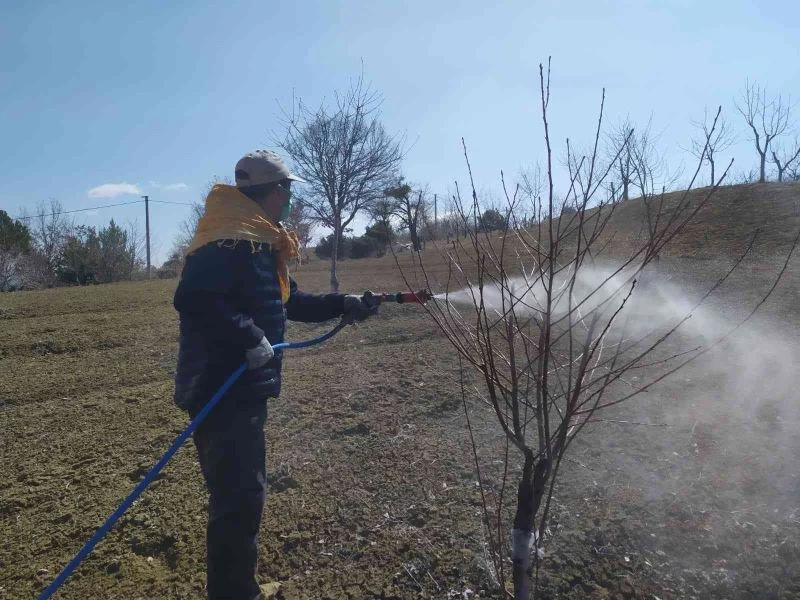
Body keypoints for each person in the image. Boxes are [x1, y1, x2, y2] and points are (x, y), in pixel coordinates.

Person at [173, 150, 377, 600]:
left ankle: (235, 587)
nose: (289, 199)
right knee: (239, 500)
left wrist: (342, 305)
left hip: (241, 389)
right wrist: (249, 337)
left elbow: (289, 303)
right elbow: (193, 298)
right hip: (219, 389)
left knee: (241, 497)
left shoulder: (257, 242)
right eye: (287, 190)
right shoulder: (226, 242)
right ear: (270, 191)